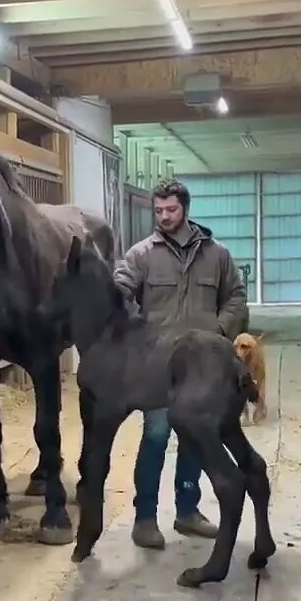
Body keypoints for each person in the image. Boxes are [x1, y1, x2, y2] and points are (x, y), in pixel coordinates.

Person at [113, 179, 248, 550]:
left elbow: (236, 296)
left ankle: (188, 511)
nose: (164, 217)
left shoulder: (216, 254)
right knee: (156, 435)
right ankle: (144, 519)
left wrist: (219, 333)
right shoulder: (141, 254)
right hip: (157, 366)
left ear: (185, 209)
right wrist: (135, 329)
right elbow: (120, 289)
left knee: (195, 439)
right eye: (158, 211)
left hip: (201, 369)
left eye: (170, 210)